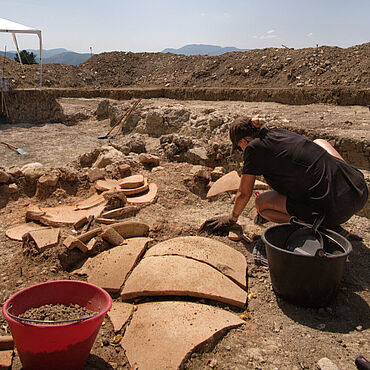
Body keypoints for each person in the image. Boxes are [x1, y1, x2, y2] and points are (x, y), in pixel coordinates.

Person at [201, 115, 368, 240]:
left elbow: (244, 193)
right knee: (319, 142)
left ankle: (319, 227)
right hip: (358, 190)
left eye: (238, 148)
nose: (241, 151)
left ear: (244, 141)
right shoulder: (278, 133)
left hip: (335, 210)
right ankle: (333, 196)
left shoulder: (253, 148)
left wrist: (232, 218)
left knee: (261, 205)